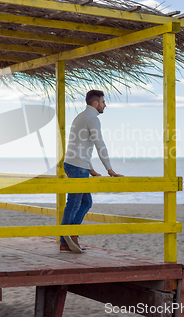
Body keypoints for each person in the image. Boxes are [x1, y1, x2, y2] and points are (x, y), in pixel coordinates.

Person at [60, 90, 123, 253]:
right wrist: (109, 169)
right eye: (103, 102)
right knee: (74, 203)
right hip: (77, 166)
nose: (105, 105)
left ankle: (68, 238)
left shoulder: (81, 117)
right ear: (95, 104)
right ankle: (67, 238)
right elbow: (99, 144)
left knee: (85, 202)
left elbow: (79, 145)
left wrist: (90, 168)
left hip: (77, 165)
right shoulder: (92, 118)